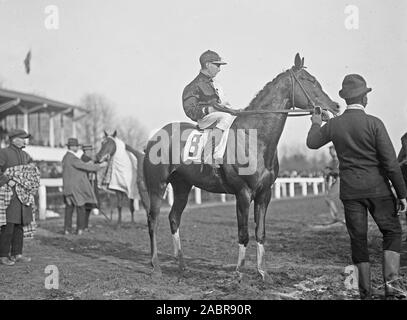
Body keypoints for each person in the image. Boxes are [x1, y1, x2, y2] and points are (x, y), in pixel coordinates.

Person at [306, 74, 407, 300]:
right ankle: (392, 287)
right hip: (378, 189)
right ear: (365, 98)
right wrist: (402, 194)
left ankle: (364, 293)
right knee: (392, 232)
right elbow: (391, 163)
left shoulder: (334, 124)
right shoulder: (375, 123)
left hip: (350, 192)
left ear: (345, 97)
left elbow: (312, 143)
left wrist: (316, 122)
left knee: (358, 239)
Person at [182, 50, 241, 164]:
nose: (219, 69)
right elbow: (190, 111)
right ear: (208, 65)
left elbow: (224, 104)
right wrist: (209, 110)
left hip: (219, 116)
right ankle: (207, 153)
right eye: (217, 65)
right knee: (226, 117)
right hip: (205, 120)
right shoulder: (193, 86)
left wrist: (235, 111)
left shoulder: (216, 84)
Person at [0, 129, 36, 266]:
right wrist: (6, 180)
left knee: (20, 224)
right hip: (8, 195)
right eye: (22, 138)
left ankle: (17, 253)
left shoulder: (26, 155)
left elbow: (32, 168)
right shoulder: (3, 152)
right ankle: (3, 255)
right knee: (7, 225)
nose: (25, 140)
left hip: (23, 196)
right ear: (14, 139)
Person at [62, 138, 105, 235]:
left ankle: (67, 229)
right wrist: (101, 166)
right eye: (76, 146)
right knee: (81, 207)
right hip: (76, 188)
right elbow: (86, 167)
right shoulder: (72, 158)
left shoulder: (65, 158)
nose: (77, 147)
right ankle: (80, 229)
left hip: (68, 188)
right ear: (72, 147)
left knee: (69, 209)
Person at [324, 145, 345, 224]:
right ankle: (335, 217)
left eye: (331, 150)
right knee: (330, 199)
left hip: (340, 180)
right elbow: (327, 169)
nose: (330, 152)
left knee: (328, 198)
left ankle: (336, 215)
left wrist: (330, 172)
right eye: (329, 150)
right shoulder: (332, 161)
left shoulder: (339, 160)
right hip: (335, 181)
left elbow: (337, 172)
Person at [80, 144, 99, 232]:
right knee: (85, 207)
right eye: (89, 151)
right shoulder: (83, 159)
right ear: (86, 151)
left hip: (91, 185)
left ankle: (85, 226)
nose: (91, 152)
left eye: (91, 151)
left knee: (88, 207)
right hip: (86, 186)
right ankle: (82, 226)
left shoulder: (89, 159)